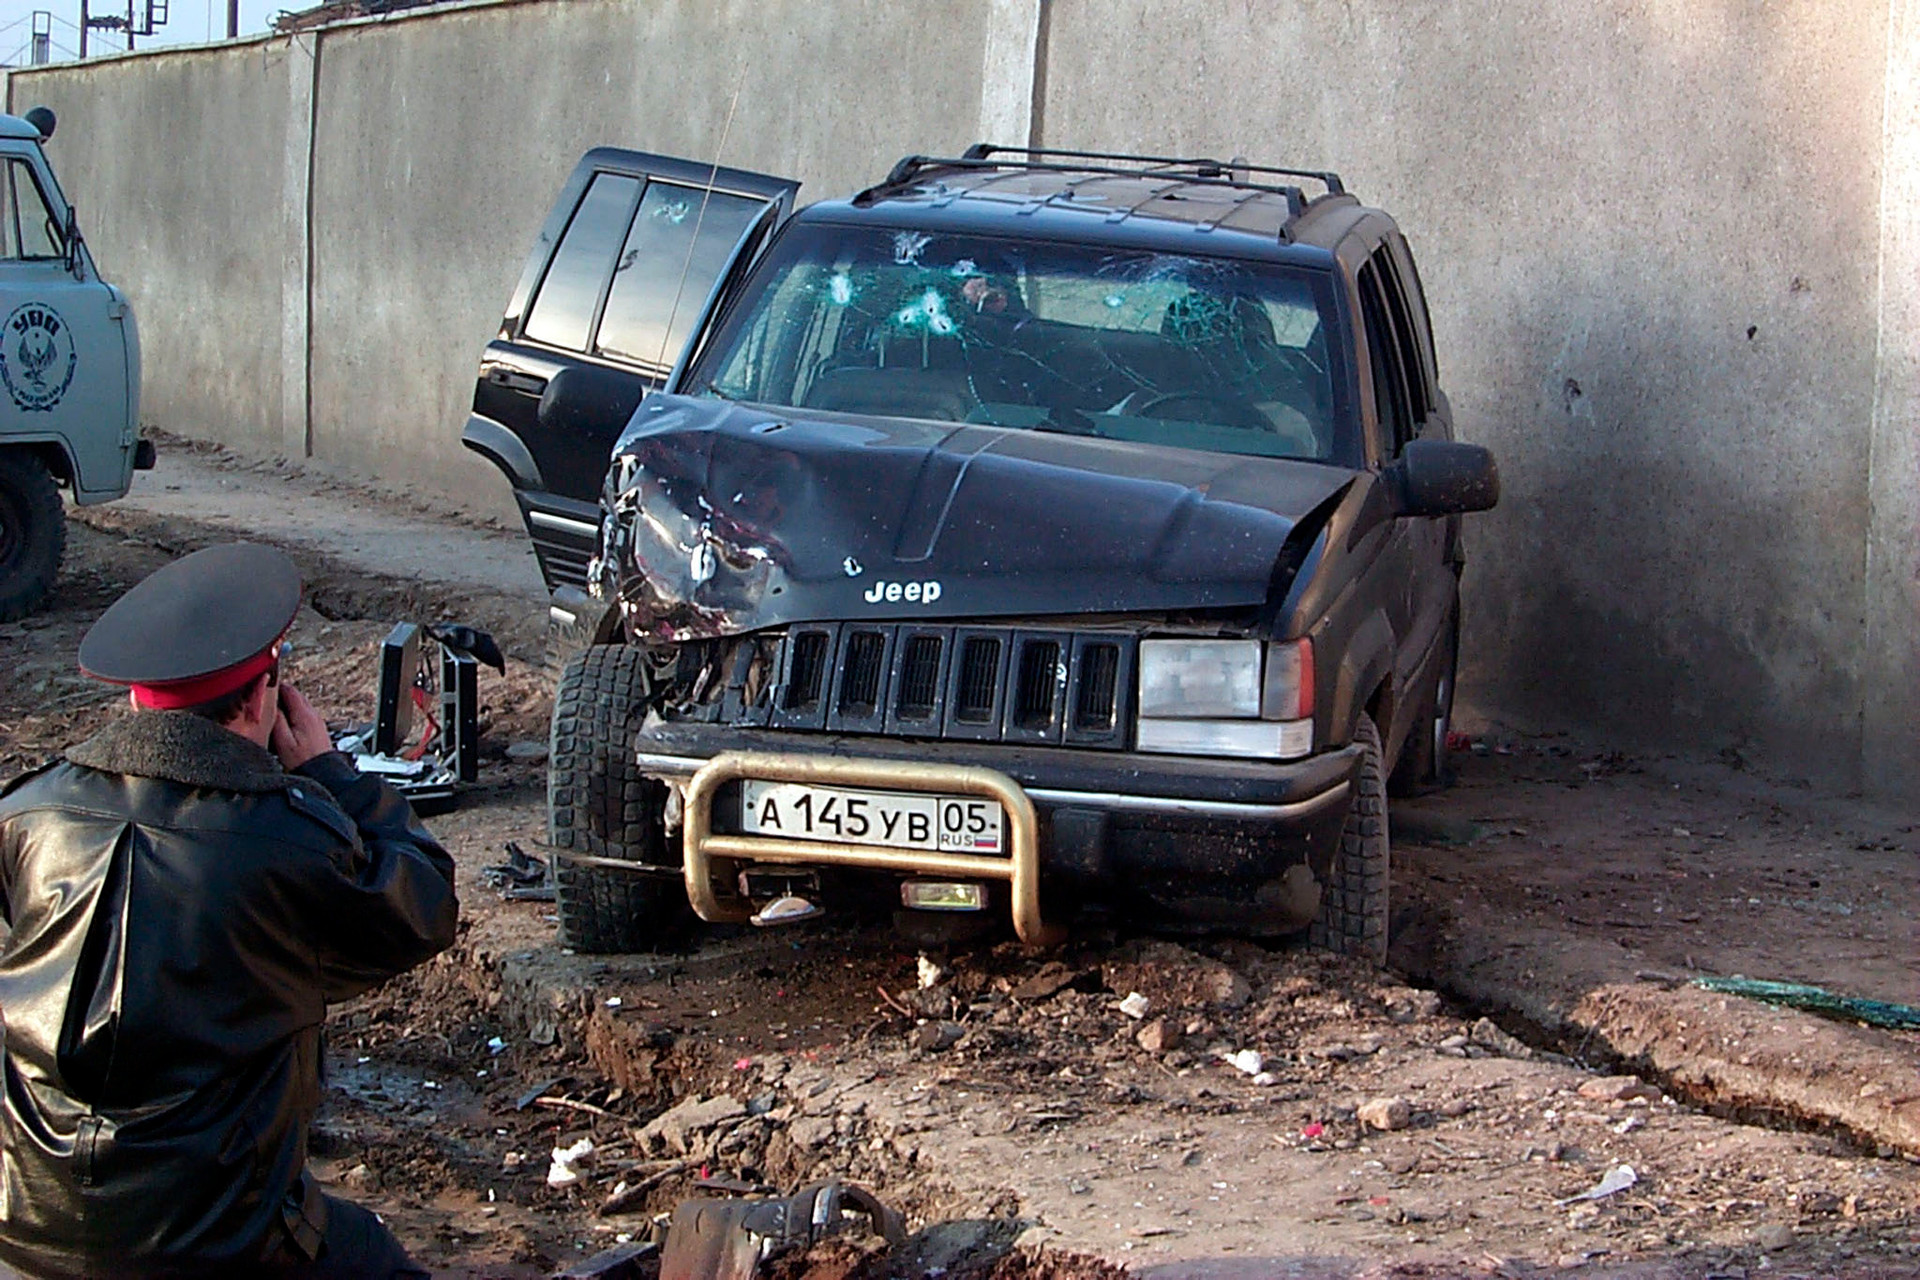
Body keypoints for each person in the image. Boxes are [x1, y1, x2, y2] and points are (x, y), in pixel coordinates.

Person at [0, 543, 459, 1279]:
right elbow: (424, 904)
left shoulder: (27, 813)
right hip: (217, 1238)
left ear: (133, 698)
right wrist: (330, 775)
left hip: (25, 1220)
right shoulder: (286, 838)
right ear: (260, 699)